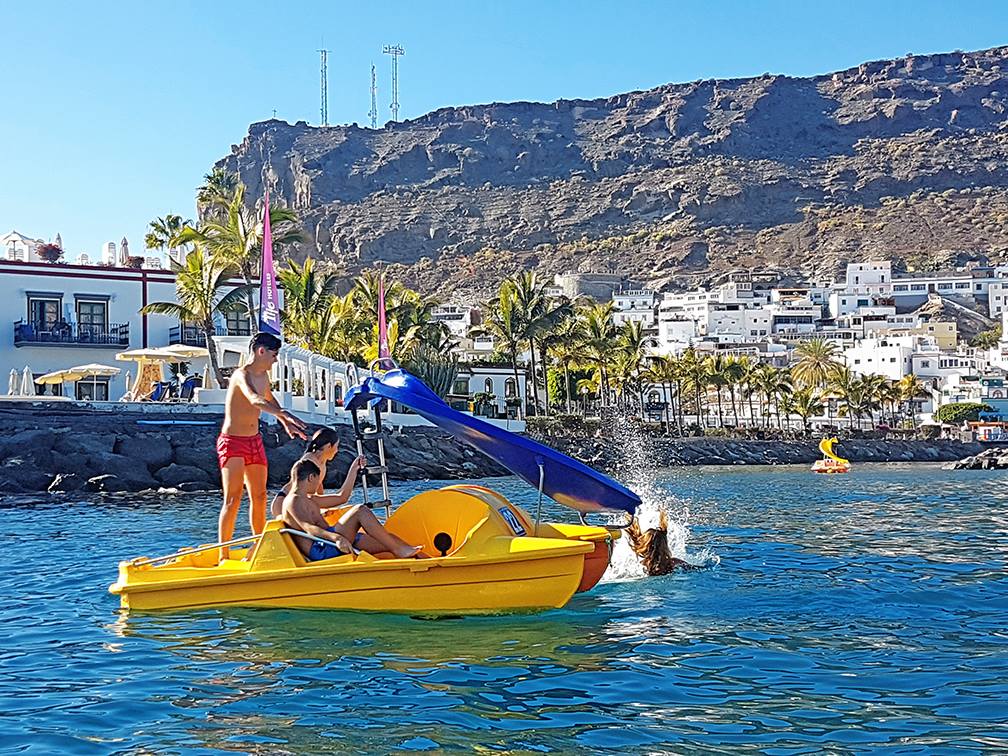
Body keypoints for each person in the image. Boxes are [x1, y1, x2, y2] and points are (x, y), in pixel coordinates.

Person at [217, 332, 307, 561]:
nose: (275, 360)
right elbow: (254, 399)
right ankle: (223, 555)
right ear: (261, 351)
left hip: (254, 441)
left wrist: (285, 422)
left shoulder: (264, 376)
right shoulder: (241, 375)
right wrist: (283, 412)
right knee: (233, 498)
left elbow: (268, 398)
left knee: (259, 496)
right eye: (274, 355)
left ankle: (258, 547)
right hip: (233, 442)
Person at [282, 458, 423, 561]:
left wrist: (354, 469)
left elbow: (341, 497)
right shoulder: (293, 500)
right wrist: (337, 538)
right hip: (322, 548)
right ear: (311, 477)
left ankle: (425, 562)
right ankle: (399, 551)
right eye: (318, 480)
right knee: (359, 510)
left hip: (332, 540)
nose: (319, 484)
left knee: (389, 539)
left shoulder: (309, 499)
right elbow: (308, 528)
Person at [269, 427, 362, 517]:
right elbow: (300, 487)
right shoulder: (309, 461)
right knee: (340, 498)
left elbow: (318, 486)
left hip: (300, 501)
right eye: (337, 446)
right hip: (284, 501)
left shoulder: (322, 462)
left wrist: (322, 509)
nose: (337, 451)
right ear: (329, 446)